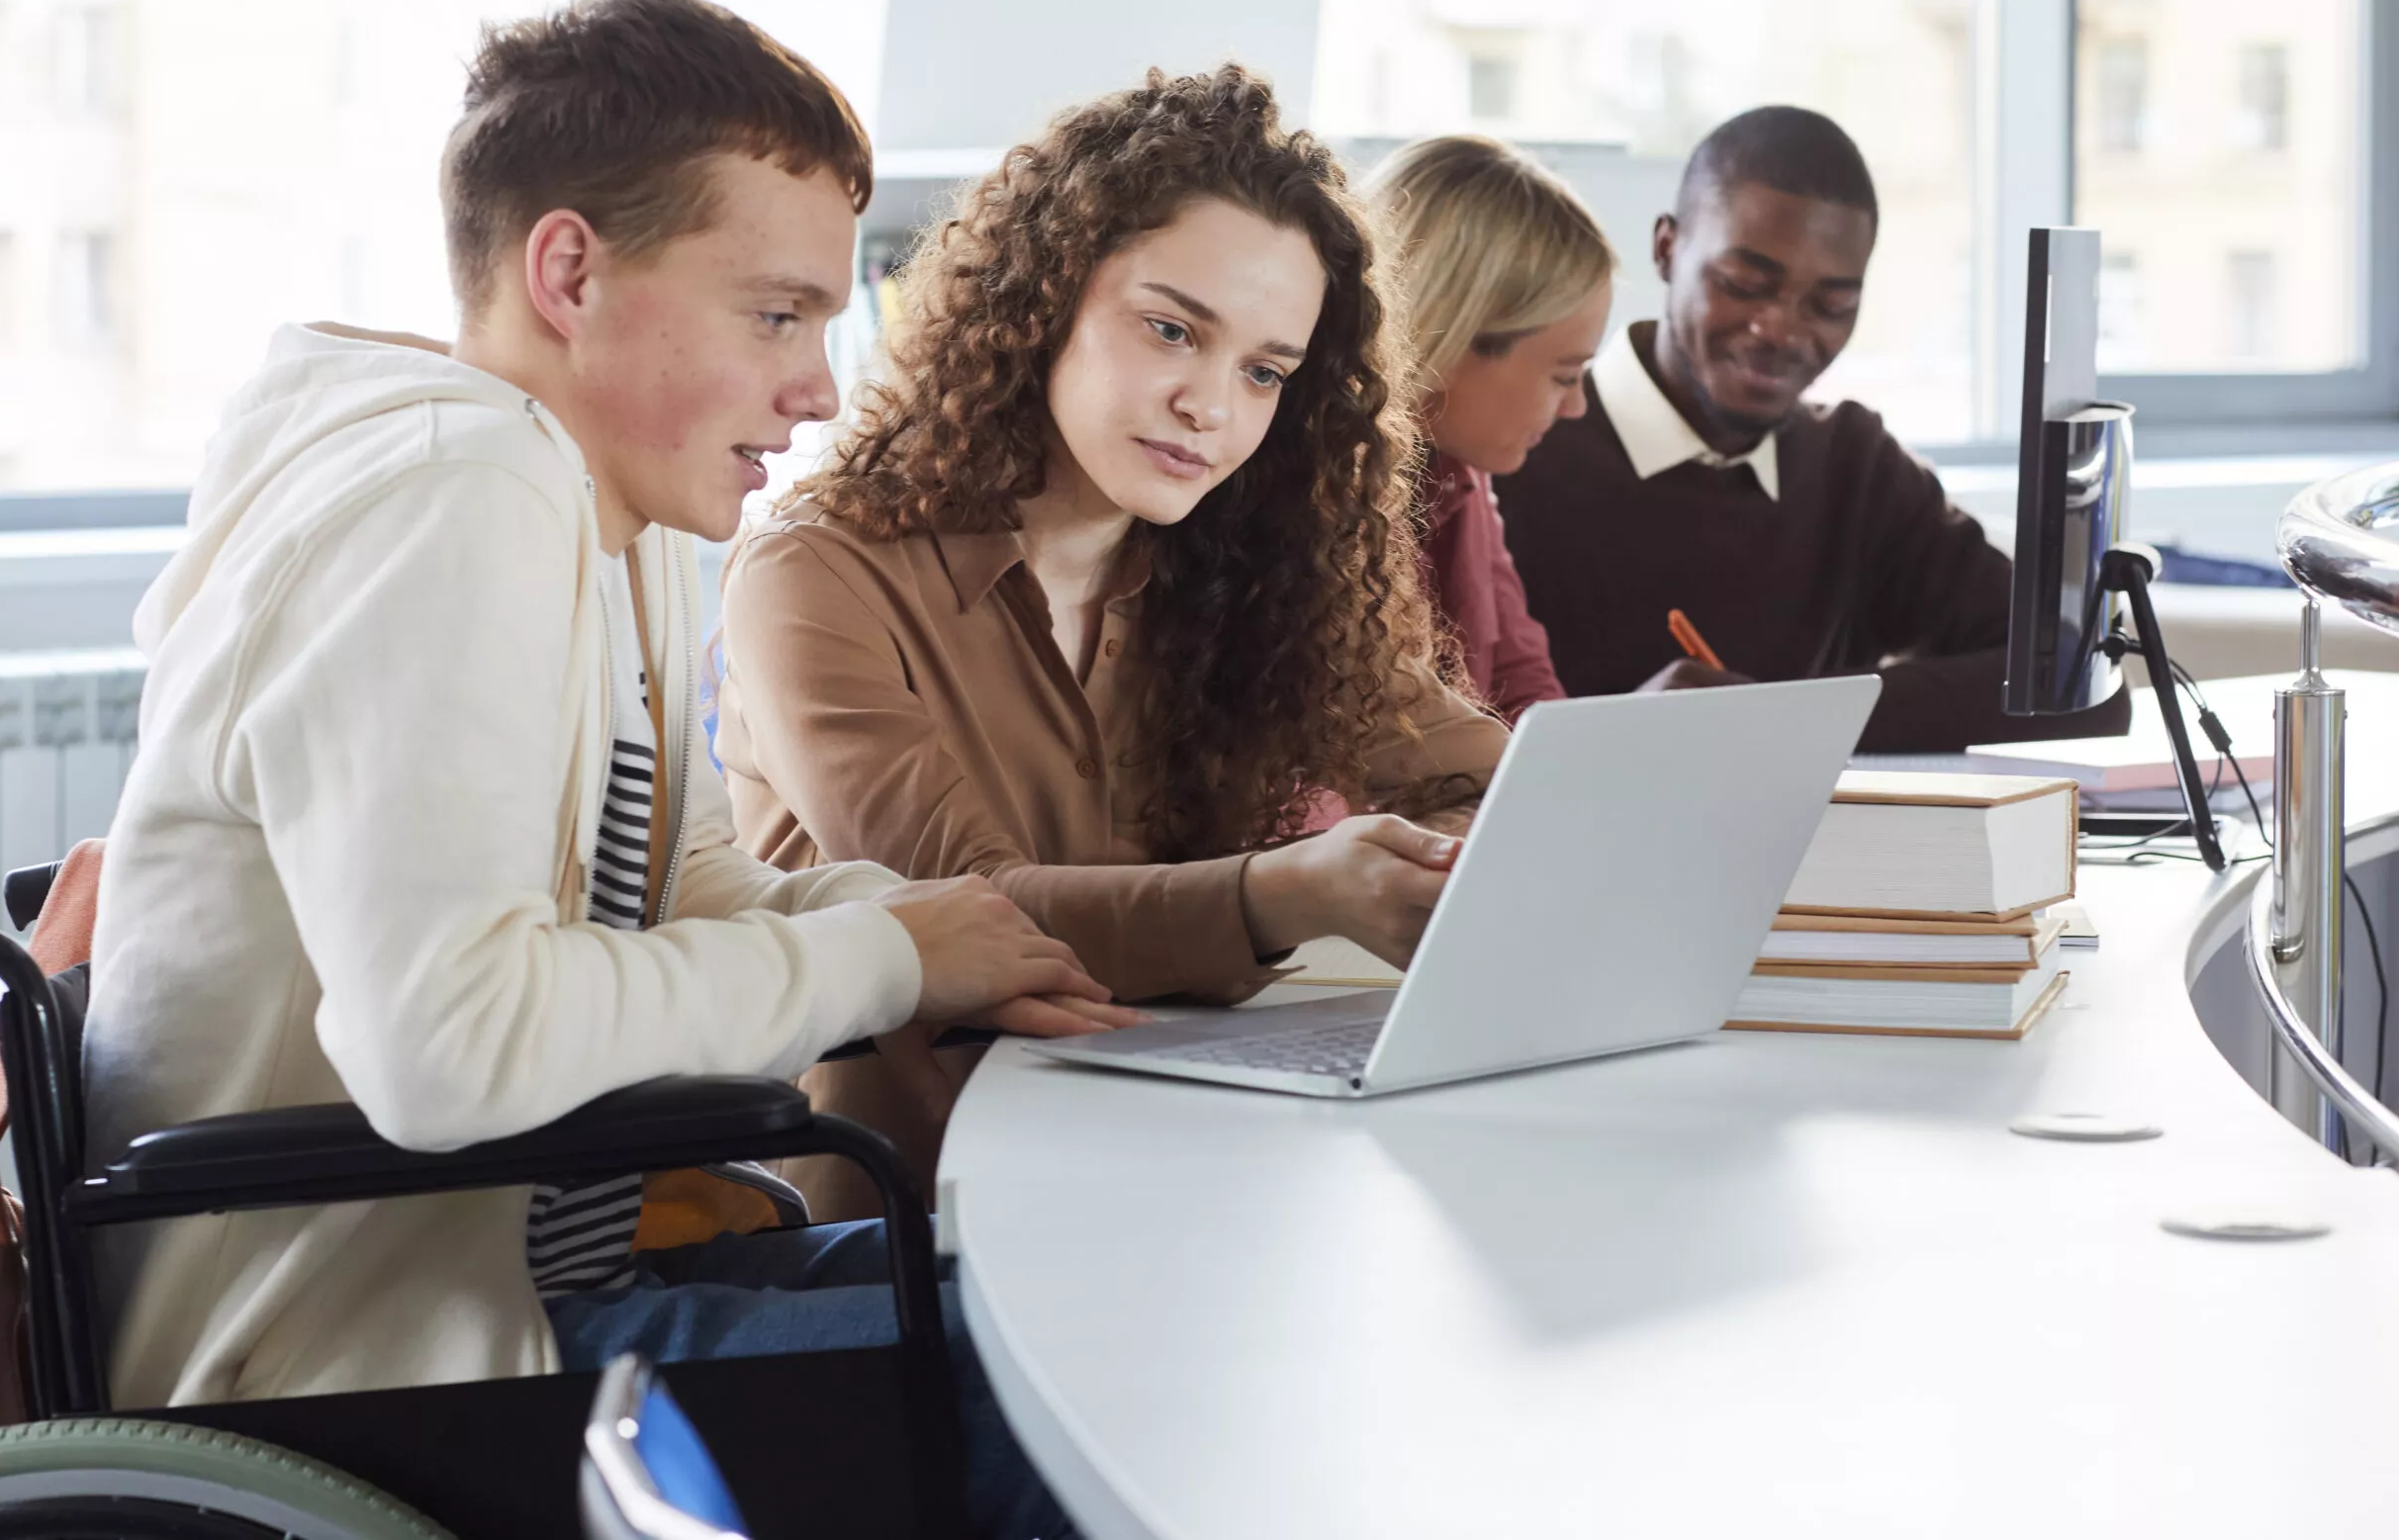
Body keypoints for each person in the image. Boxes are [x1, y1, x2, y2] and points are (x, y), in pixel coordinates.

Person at [81, 0, 1126, 1538]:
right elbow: (451, 1045)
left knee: (1099, 1302)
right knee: (1093, 1390)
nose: (820, 387)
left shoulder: (605, 505)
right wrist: (888, 958)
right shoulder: (456, 487)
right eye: (775, 314)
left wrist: (974, 937)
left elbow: (685, 879)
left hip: (539, 1294)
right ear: (567, 269)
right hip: (359, 1372)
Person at [714, 67, 1508, 1215]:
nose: (1211, 405)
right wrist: (1292, 894)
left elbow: (1478, 783)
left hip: (1186, 1176)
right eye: (1171, 330)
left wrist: (1439, 863)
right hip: (901, 1234)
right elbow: (970, 915)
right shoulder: (815, 569)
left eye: (1264, 372)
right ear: (1042, 300)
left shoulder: (1261, 568)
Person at [1494, 106, 2131, 751]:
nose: (1781, 329)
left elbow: (2078, 683)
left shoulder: (1855, 470)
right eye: (1743, 283)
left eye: (1831, 305)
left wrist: (1780, 720)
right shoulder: (1515, 451)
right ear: (1666, 248)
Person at [1363, 135, 1614, 719]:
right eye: (1563, 375)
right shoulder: (1292, 495)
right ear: (1450, 339)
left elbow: (1522, 687)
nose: (1577, 407)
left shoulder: (1463, 478)